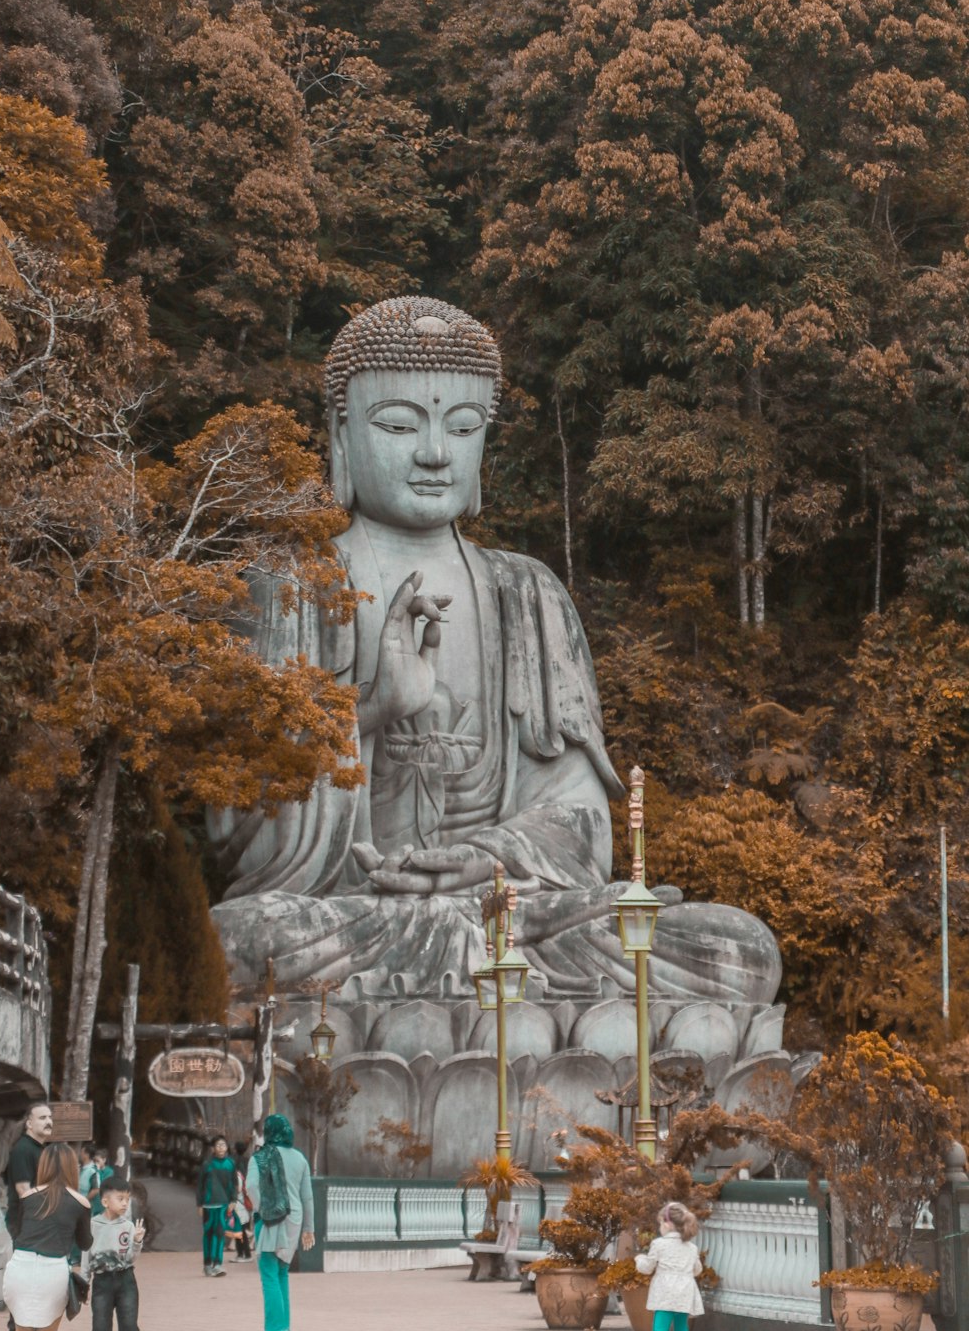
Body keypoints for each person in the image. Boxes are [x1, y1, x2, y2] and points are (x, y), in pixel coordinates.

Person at [209, 297, 783, 1008]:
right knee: (236, 945)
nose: (434, 453)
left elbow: (581, 823)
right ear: (341, 431)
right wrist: (372, 708)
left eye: (462, 426)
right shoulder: (285, 588)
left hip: (511, 917)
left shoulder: (529, 592)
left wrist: (484, 860)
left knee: (738, 951)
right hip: (351, 915)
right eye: (398, 424)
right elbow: (237, 831)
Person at [2, 1141, 92, 1331]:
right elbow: (85, 1243)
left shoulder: (27, 1196)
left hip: (19, 1268)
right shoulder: (80, 1201)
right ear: (72, 1166)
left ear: (43, 1166)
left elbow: (17, 1232)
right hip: (52, 1271)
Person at [245, 1115, 314, 1331]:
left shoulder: (261, 1156)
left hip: (271, 1220)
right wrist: (309, 1229)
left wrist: (261, 1208)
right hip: (293, 1219)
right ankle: (282, 1328)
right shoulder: (300, 1158)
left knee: (268, 1273)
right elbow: (307, 1197)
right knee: (282, 1272)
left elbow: (252, 1186)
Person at [4, 1100, 54, 1331]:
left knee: (35, 1275)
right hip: (25, 1222)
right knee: (25, 1276)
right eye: (42, 1117)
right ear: (29, 1123)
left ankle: (26, 1323)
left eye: (49, 1117)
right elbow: (24, 1190)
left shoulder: (41, 1149)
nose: (48, 1121)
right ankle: (18, 1325)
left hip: (38, 1221)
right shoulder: (23, 1150)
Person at [84, 1175, 144, 1331]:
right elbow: (86, 1257)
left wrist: (137, 1241)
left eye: (127, 1199)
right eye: (120, 1199)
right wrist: (84, 1283)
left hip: (126, 1280)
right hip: (102, 1282)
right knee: (100, 1330)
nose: (125, 1203)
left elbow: (131, 1258)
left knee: (128, 1328)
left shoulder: (128, 1226)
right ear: (105, 1202)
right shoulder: (93, 1225)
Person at [635, 1200, 705, 1331]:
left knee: (660, 1330)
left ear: (667, 1224)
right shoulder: (691, 1247)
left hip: (665, 1291)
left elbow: (647, 1267)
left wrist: (639, 1259)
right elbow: (697, 1270)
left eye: (660, 1223)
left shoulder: (659, 1244)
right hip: (685, 1291)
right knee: (681, 1329)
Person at [196, 1136, 237, 1278]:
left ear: (227, 1147)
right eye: (218, 1145)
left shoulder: (230, 1164)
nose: (221, 1148)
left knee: (220, 1233)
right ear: (213, 1148)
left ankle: (217, 1264)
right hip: (208, 1205)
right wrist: (199, 1204)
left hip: (223, 1204)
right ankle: (207, 1264)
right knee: (208, 1233)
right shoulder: (207, 1164)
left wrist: (233, 1200)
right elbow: (200, 1185)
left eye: (223, 1145)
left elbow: (234, 1183)